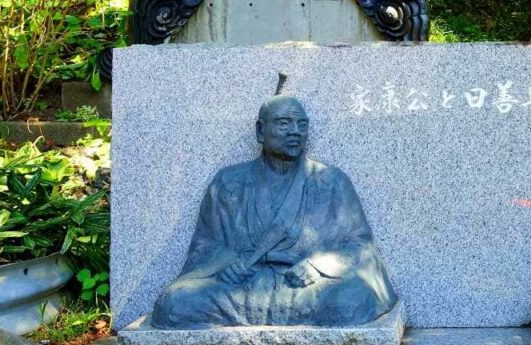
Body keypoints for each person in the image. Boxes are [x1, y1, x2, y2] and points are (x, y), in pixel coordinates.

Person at [151, 94, 397, 328]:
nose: (295, 132)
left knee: (352, 300)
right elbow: (204, 244)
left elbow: (361, 245)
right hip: (242, 286)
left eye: (302, 124)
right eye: (283, 123)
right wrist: (229, 262)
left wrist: (318, 265)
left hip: (306, 287)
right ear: (260, 131)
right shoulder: (228, 181)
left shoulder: (331, 180)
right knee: (175, 303)